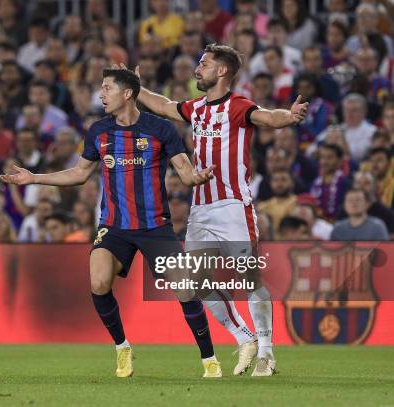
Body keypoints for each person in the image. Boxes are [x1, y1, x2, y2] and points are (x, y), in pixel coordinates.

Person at [0, 68, 221, 378]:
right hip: (114, 226)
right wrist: (34, 178)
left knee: (184, 289)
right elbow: (79, 174)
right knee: (99, 281)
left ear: (127, 93)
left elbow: (184, 172)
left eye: (106, 88)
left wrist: (197, 176)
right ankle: (122, 348)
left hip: (155, 226)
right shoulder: (98, 131)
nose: (100, 94)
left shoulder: (160, 129)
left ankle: (209, 359)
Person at [127, 43, 309, 376]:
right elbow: (165, 106)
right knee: (192, 282)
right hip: (201, 207)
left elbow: (267, 117)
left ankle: (267, 354)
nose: (198, 69)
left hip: (233, 206)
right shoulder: (197, 108)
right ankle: (244, 336)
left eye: (204, 64)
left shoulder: (238, 106)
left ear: (221, 71)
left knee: (250, 279)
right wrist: (136, 89)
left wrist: (289, 117)